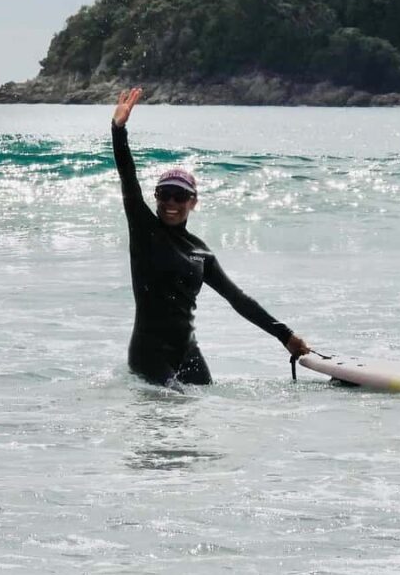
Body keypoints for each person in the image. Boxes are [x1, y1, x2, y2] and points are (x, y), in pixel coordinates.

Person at [111, 87, 310, 388]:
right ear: (156, 197)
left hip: (188, 353)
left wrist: (285, 335)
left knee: (204, 414)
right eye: (165, 195)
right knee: (170, 413)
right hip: (149, 353)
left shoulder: (200, 252)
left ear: (193, 202)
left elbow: (238, 299)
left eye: (180, 196)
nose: (171, 203)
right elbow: (128, 176)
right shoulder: (144, 230)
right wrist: (118, 129)